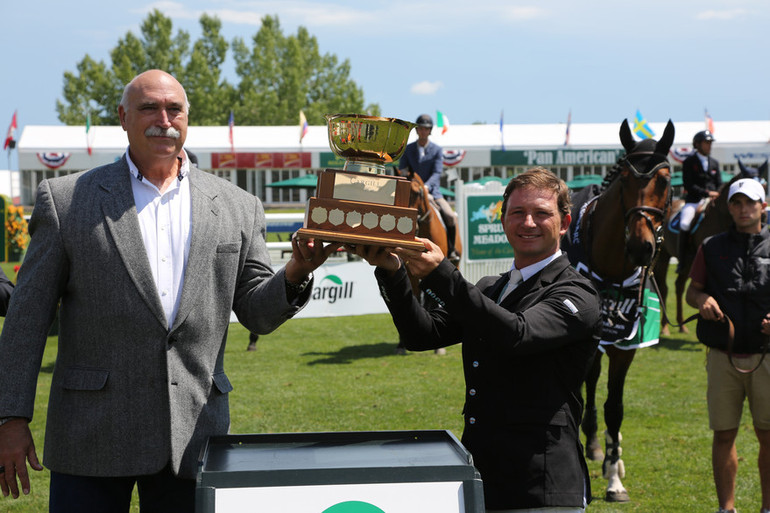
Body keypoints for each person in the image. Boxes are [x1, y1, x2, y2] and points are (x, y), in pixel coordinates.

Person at [0, 69, 339, 511]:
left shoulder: (238, 205)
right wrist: (10, 417)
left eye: (174, 108)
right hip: (91, 436)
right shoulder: (66, 200)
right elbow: (26, 320)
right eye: (149, 108)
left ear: (187, 117)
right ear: (123, 117)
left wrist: (295, 272)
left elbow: (256, 311)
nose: (164, 119)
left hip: (196, 437)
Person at [351, 167, 602, 511]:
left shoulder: (577, 293)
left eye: (542, 213)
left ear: (565, 222)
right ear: (503, 220)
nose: (528, 222)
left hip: (542, 487)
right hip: (480, 479)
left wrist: (442, 275)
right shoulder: (491, 288)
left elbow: (518, 334)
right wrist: (392, 271)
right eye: (517, 212)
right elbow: (422, 334)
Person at [686, 178, 770, 513]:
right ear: (729, 207)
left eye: (750, 202)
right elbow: (693, 291)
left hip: (767, 357)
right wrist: (702, 299)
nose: (743, 209)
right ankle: (727, 509)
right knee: (723, 435)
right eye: (736, 202)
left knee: (768, 437)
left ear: (763, 205)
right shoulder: (710, 245)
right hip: (723, 357)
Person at [398, 114, 460, 263]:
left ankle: (451, 249)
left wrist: (425, 188)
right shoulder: (408, 149)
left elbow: (437, 173)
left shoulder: (437, 150)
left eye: (426, 129)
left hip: (432, 192)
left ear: (430, 130)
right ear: (417, 130)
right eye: (420, 128)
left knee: (450, 216)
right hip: (413, 193)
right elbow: (402, 169)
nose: (423, 131)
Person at [679, 129, 721, 269]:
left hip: (713, 199)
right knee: (684, 223)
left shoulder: (715, 163)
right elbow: (689, 185)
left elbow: (719, 183)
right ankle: (682, 259)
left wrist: (718, 193)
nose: (709, 146)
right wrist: (708, 193)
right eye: (706, 143)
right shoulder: (689, 162)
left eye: (710, 143)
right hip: (694, 200)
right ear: (697, 144)